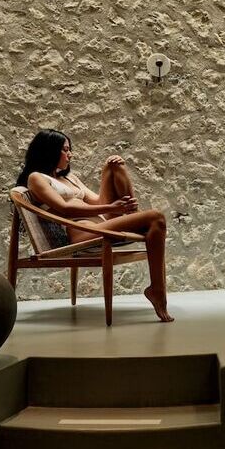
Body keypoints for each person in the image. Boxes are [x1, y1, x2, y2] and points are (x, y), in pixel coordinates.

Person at [16, 129, 173, 322]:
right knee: (156, 218)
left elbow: (98, 202)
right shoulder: (37, 178)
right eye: (65, 150)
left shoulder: (70, 178)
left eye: (69, 149)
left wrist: (111, 176)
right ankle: (157, 290)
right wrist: (112, 207)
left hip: (101, 224)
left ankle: (156, 286)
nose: (70, 154)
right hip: (82, 231)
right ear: (49, 151)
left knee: (114, 166)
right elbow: (64, 208)